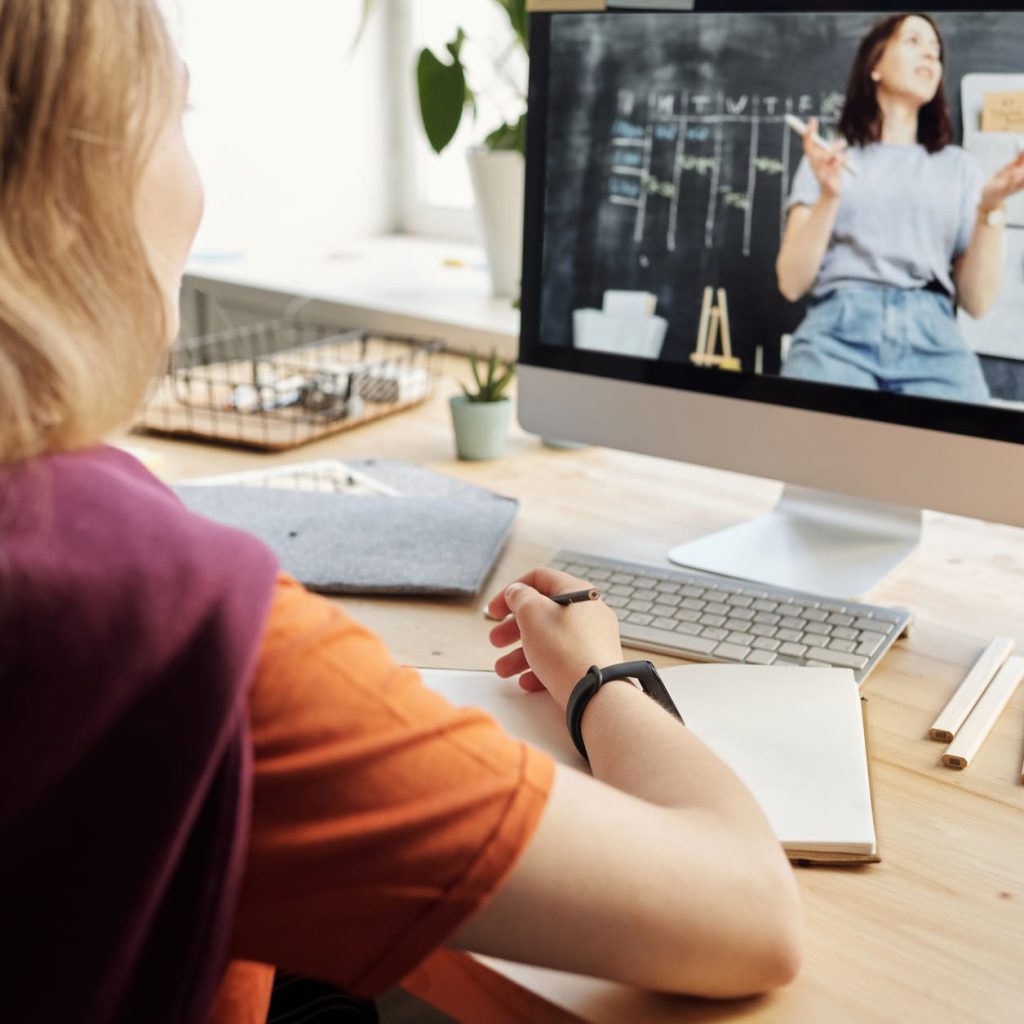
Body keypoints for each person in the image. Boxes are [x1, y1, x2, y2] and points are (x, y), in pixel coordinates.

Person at [0, 3, 802, 1022]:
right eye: (179, 115)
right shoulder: (176, 625)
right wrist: (601, 674)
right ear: (75, 182)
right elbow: (749, 915)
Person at [776, 11, 1024, 402]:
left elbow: (976, 303)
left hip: (932, 336)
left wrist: (989, 208)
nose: (929, 55)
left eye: (936, 51)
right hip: (836, 331)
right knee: (805, 450)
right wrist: (829, 195)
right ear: (875, 64)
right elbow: (791, 283)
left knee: (969, 453)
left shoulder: (958, 167)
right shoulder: (829, 158)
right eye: (913, 42)